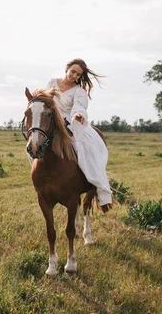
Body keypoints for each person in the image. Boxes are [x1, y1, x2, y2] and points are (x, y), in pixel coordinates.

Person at [45, 58, 113, 212]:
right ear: (67, 69)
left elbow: (79, 106)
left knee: (83, 149)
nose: (74, 75)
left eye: (78, 74)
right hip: (50, 122)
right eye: (73, 71)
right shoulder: (52, 83)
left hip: (70, 122)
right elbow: (45, 101)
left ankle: (94, 182)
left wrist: (78, 115)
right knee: (36, 142)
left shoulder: (79, 91)